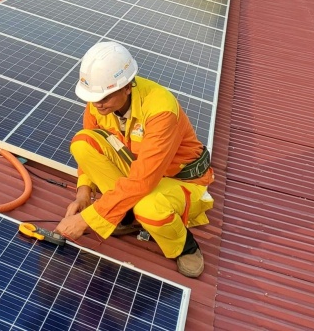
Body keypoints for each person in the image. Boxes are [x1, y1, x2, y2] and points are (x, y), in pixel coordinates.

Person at [54, 41, 214, 278]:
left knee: (149, 207)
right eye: (93, 97)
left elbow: (143, 180)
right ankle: (126, 216)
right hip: (142, 173)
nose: (97, 104)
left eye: (104, 97)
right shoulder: (98, 104)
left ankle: (184, 245)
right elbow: (92, 153)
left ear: (127, 86)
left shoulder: (161, 110)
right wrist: (83, 193)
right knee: (83, 142)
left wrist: (87, 219)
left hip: (182, 181)